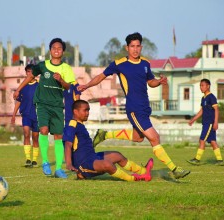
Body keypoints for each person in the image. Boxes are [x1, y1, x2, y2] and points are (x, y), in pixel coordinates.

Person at [78, 32, 190, 179]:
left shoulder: (145, 63)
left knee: (138, 138)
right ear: (127, 47)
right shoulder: (119, 64)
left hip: (145, 107)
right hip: (134, 108)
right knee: (154, 138)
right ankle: (174, 169)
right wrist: (86, 85)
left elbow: (151, 82)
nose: (135, 49)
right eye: (132, 46)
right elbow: (101, 76)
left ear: (141, 47)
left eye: (138, 46)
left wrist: (159, 81)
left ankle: (105, 134)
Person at [13, 38, 75, 178]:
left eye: (59, 48)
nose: (56, 50)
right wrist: (18, 89)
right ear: (50, 50)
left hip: (57, 105)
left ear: (63, 51)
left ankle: (58, 168)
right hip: (42, 104)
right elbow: (29, 77)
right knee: (43, 130)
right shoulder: (42, 66)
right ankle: (45, 162)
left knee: (58, 136)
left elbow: (69, 87)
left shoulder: (66, 68)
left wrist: (61, 80)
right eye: (54, 48)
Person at [63, 100, 153, 181]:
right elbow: (68, 144)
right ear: (75, 111)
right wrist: (69, 164)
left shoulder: (80, 125)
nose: (87, 113)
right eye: (85, 110)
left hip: (92, 157)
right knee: (108, 164)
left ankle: (144, 171)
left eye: (88, 110)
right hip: (83, 164)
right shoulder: (71, 125)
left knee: (117, 155)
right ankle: (134, 179)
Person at [186, 79, 224, 166]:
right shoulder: (203, 98)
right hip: (206, 123)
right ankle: (220, 160)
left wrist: (216, 122)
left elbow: (216, 110)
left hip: (209, 123)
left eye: (203, 85)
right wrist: (193, 120)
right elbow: (202, 111)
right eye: (200, 85)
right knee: (213, 141)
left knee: (202, 140)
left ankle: (197, 159)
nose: (201, 87)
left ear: (208, 86)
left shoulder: (211, 97)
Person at [11, 64, 40, 168]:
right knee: (26, 133)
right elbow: (18, 101)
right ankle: (28, 158)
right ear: (26, 73)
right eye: (28, 71)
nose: (30, 74)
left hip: (37, 116)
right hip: (26, 114)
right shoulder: (22, 87)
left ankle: (35, 160)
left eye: (31, 72)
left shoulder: (39, 86)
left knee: (35, 137)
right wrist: (14, 115)